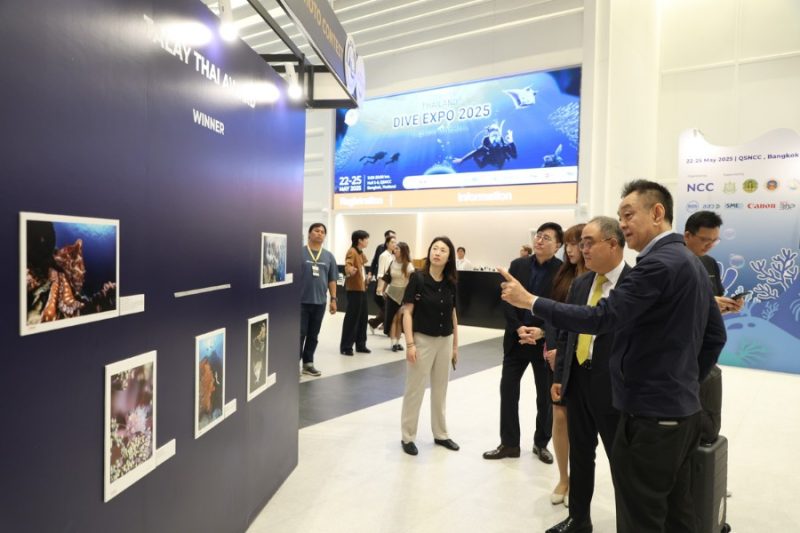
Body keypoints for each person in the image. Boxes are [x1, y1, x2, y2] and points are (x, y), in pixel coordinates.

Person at [499, 180, 726, 533]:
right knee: (676, 512)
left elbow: (602, 318)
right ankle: (579, 517)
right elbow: (715, 336)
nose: (623, 224)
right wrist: (683, 383)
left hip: (649, 413)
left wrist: (530, 301)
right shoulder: (691, 262)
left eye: (628, 215)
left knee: (641, 515)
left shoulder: (655, 266)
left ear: (657, 212)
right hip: (679, 412)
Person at [546, 217, 630, 533]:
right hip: (579, 379)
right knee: (581, 454)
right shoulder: (581, 283)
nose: (583, 249)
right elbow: (567, 333)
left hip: (615, 387)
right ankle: (579, 519)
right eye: (581, 243)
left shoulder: (633, 284)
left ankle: (629, 525)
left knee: (622, 461)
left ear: (613, 243)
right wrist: (560, 377)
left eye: (589, 242)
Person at [483, 222, 563, 463]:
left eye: (546, 238)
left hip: (543, 343)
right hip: (516, 340)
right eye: (538, 236)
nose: (539, 240)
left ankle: (541, 443)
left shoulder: (562, 271)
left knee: (545, 398)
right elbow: (506, 299)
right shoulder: (518, 265)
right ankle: (509, 444)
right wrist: (518, 327)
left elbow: (559, 308)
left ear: (558, 245)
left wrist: (542, 331)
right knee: (508, 392)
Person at [400, 236, 460, 456]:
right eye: (435, 248)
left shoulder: (451, 282)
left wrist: (455, 346)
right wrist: (410, 344)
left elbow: (453, 314)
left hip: (445, 340)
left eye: (443, 250)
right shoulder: (418, 278)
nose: (437, 253)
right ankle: (408, 436)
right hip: (422, 339)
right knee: (415, 389)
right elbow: (407, 312)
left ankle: (441, 434)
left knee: (441, 389)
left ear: (449, 257)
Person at [545, 223, 588, 505]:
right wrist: (551, 347)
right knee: (559, 417)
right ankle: (564, 477)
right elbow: (554, 317)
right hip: (559, 357)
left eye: (576, 244)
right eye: (568, 244)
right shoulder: (563, 276)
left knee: (582, 424)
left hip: (585, 357)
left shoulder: (597, 278)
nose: (571, 250)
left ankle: (581, 482)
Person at [684, 211, 744, 315]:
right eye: (705, 240)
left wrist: (728, 307)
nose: (710, 245)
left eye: (714, 241)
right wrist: (708, 303)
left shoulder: (710, 262)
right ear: (687, 236)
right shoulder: (669, 263)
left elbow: (712, 307)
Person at [299, 223, 338, 377]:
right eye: (316, 231)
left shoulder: (328, 256)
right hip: (300, 302)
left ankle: (308, 364)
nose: (319, 233)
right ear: (309, 233)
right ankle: (292, 364)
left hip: (320, 302)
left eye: (322, 232)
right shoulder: (299, 253)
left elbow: (332, 280)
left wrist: (333, 299)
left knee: (313, 335)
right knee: (299, 334)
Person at [376, 241, 414, 351]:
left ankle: (397, 342)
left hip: (403, 295)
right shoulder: (392, 263)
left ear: (403, 251)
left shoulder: (409, 266)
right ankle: (393, 343)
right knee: (393, 318)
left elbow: (412, 283)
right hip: (391, 293)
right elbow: (387, 278)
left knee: (400, 319)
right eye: (395, 248)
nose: (395, 250)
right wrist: (383, 290)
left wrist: (409, 297)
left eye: (397, 249)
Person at [340, 230, 371, 356]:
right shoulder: (352, 251)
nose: (367, 241)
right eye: (366, 239)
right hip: (354, 290)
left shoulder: (360, 252)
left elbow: (362, 267)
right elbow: (348, 265)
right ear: (359, 240)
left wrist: (366, 277)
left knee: (363, 317)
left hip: (361, 288)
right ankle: (346, 346)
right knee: (352, 318)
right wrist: (349, 270)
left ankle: (360, 344)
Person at [368, 234, 397, 334]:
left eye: (395, 242)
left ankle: (374, 323)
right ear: (387, 244)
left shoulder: (393, 255)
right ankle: (377, 324)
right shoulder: (383, 255)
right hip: (384, 285)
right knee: (387, 308)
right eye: (392, 242)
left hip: (391, 285)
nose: (394, 244)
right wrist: (380, 288)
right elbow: (380, 272)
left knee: (388, 309)